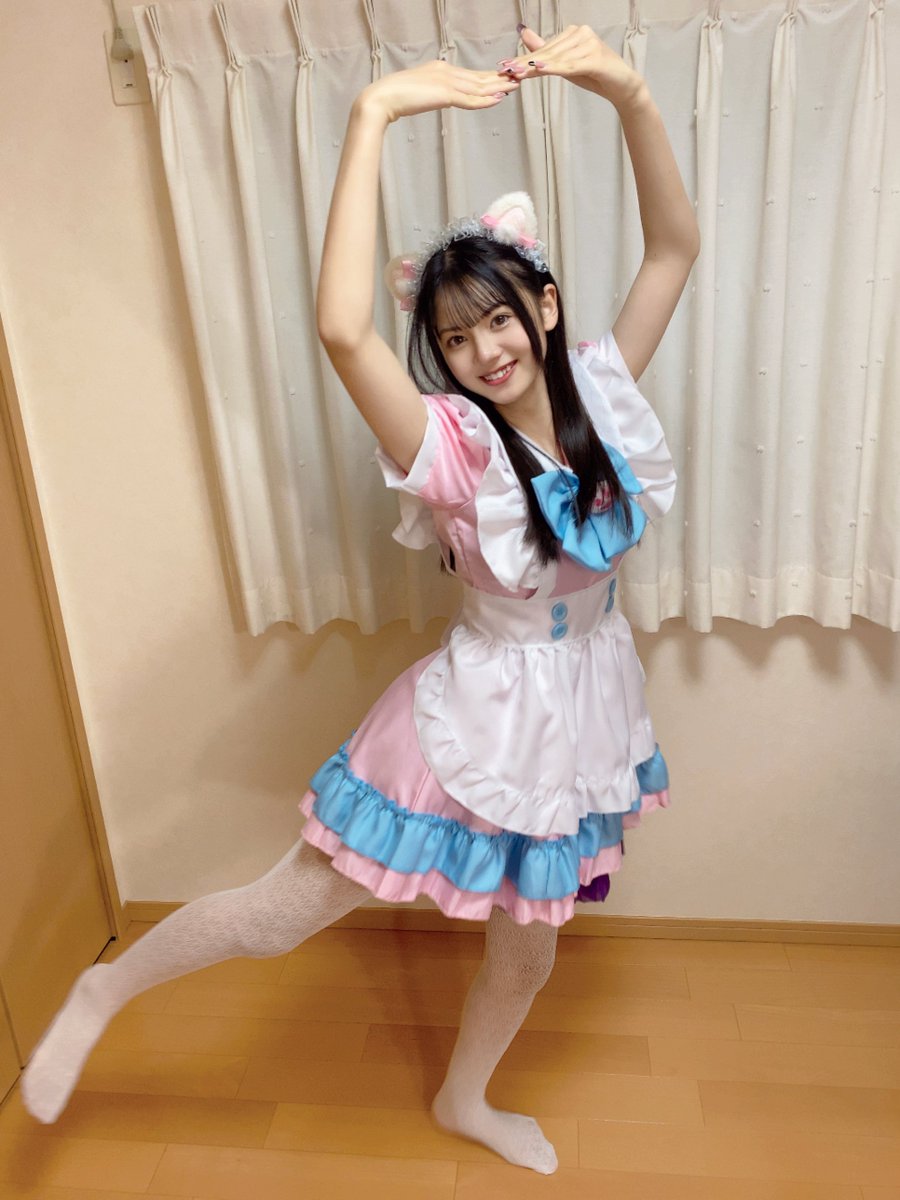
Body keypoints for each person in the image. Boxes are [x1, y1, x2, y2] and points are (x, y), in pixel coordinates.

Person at [20, 23, 699, 1176]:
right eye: (454, 337)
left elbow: (674, 246)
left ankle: (464, 1100)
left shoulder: (604, 390)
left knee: (529, 951)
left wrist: (628, 91)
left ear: (542, 307)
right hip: (474, 717)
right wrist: (373, 111)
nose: (483, 349)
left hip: (583, 709)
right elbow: (341, 329)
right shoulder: (450, 448)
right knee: (287, 911)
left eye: (499, 317)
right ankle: (103, 991)